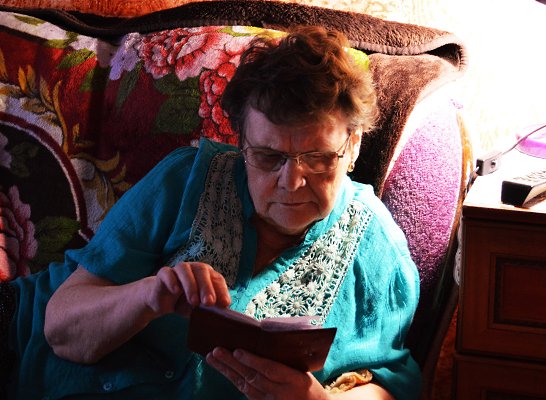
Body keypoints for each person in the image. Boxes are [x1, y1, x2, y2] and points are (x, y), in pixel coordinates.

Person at [2, 25, 420, 399]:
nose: (292, 181)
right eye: (268, 156)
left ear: (353, 145)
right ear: (242, 144)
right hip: (24, 348)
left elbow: (389, 383)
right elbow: (61, 329)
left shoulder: (376, 248)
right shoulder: (185, 179)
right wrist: (146, 297)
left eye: (318, 158)